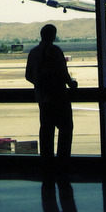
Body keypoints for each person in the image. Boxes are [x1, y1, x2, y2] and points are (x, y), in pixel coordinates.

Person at [25, 24, 78, 173]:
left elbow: (28, 75)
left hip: (43, 99)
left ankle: (47, 165)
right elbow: (62, 72)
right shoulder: (55, 51)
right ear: (53, 36)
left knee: (46, 132)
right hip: (59, 97)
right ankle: (63, 164)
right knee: (65, 131)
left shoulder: (33, 52)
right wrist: (71, 84)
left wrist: (40, 85)